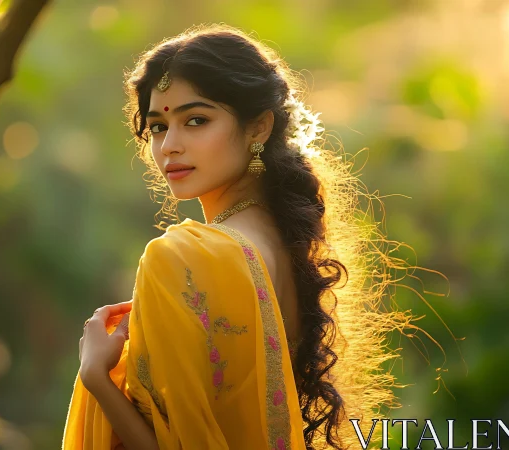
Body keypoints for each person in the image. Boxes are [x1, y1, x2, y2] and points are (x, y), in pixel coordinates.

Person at [62, 24, 425, 450]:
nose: (169, 146)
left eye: (196, 121)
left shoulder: (183, 256)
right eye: (158, 126)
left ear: (258, 128)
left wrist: (96, 378)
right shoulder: (284, 245)